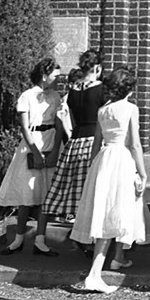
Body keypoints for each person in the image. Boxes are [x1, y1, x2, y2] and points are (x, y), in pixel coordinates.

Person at [70, 66, 150, 294]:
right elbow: (134, 143)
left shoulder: (103, 110)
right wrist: (143, 172)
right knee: (117, 210)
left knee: (112, 209)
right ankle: (94, 274)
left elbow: (96, 143)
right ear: (129, 89)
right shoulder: (130, 109)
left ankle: (118, 257)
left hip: (104, 159)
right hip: (122, 159)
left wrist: (93, 169)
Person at [0, 57, 63, 256]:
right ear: (44, 75)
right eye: (54, 75)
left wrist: (56, 150)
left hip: (50, 140)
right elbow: (24, 127)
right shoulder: (27, 96)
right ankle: (18, 238)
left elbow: (59, 125)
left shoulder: (56, 96)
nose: (58, 79)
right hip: (32, 143)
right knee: (27, 194)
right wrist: (35, 152)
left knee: (45, 195)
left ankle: (40, 240)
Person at [44, 49, 105, 230]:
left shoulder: (73, 89)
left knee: (74, 189)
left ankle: (79, 229)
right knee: (94, 188)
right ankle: (88, 232)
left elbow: (70, 117)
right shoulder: (101, 89)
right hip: (95, 139)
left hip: (76, 141)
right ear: (97, 67)